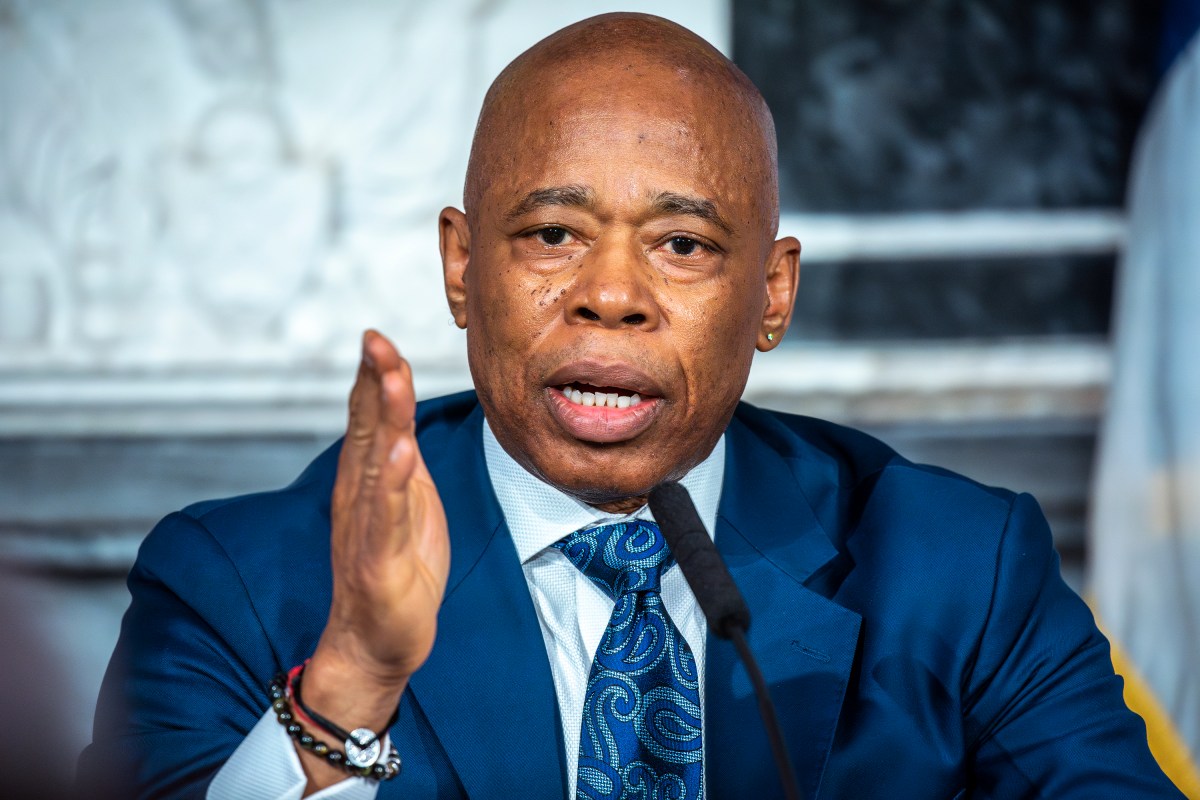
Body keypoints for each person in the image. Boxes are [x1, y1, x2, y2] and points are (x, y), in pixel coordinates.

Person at [82, 13, 1183, 800]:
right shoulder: (238, 583)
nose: (610, 295)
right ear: (462, 268)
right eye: (553, 235)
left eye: (684, 245)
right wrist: (351, 683)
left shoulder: (957, 569)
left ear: (774, 293)